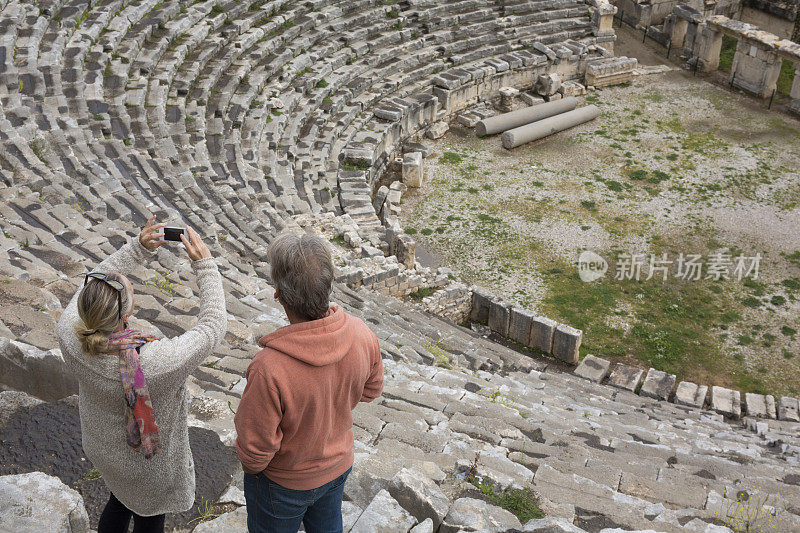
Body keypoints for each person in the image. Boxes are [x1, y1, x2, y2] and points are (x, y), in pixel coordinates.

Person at [56, 218, 227, 533]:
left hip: (104, 449)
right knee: (150, 520)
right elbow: (213, 325)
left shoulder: (69, 333)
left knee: (118, 502)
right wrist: (205, 265)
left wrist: (136, 249)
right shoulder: (157, 363)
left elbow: (90, 283)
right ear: (126, 315)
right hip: (147, 469)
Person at [235, 231, 384, 533]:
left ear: (279, 292)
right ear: (328, 285)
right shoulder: (360, 333)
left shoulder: (269, 367)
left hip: (283, 484)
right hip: (337, 467)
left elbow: (254, 452)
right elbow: (372, 389)